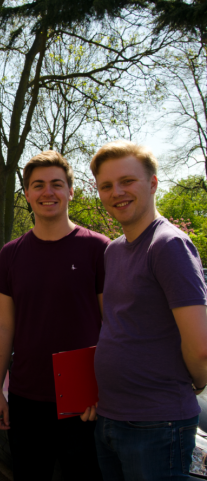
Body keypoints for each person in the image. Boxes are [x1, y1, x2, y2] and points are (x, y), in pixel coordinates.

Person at [86, 140, 207, 480]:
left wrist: (195, 382)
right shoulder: (114, 251)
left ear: (153, 183)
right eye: (106, 186)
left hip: (156, 425)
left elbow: (200, 345)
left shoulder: (169, 245)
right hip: (111, 419)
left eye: (128, 181)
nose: (117, 192)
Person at [0, 151, 107, 480]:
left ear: (71, 191)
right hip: (27, 399)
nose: (47, 192)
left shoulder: (99, 249)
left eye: (57, 184)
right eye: (37, 185)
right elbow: (2, 326)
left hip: (86, 402)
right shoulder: (11, 254)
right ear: (27, 194)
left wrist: (105, 389)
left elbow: (113, 326)